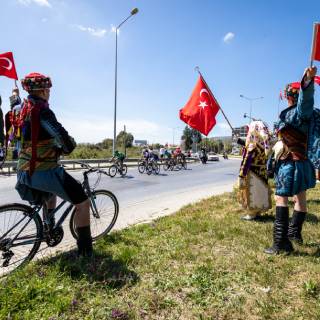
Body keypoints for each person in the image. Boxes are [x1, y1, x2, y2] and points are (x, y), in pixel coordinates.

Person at [15, 72, 93, 257]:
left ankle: (48, 228)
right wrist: (68, 147)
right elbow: (62, 138)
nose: (49, 92)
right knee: (83, 203)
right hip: (42, 170)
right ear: (42, 91)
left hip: (23, 170)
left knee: (50, 195)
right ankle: (86, 252)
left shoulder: (23, 108)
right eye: (48, 89)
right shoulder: (42, 110)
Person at [265, 66, 317, 254]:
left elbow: (305, 103)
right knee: (300, 199)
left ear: (289, 97)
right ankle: (294, 234)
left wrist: (307, 82)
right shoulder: (304, 114)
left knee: (281, 198)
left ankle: (281, 244)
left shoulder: (299, 112)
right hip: (302, 163)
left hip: (290, 164)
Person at [237, 121, 272, 221]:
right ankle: (258, 212)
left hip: (252, 173)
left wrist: (241, 175)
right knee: (260, 192)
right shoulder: (264, 145)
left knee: (252, 193)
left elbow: (246, 161)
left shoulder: (252, 145)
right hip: (263, 173)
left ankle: (251, 214)